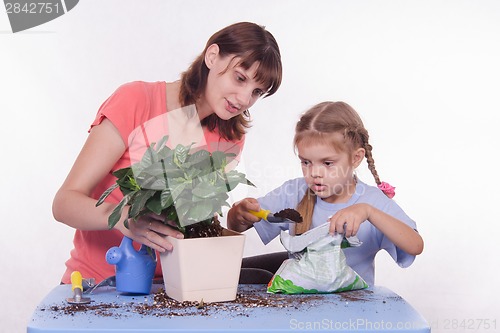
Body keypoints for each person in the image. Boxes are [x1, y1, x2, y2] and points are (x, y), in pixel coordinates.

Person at [52, 22, 283, 284]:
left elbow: (196, 221)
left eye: (256, 92)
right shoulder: (136, 100)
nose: (243, 99)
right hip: (105, 282)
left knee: (278, 271)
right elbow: (64, 204)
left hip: (175, 286)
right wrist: (123, 217)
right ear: (212, 56)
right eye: (240, 78)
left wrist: (235, 221)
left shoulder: (230, 137)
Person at [227, 101, 423, 286]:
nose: (314, 173)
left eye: (327, 163)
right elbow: (236, 226)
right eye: (306, 162)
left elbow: (415, 246)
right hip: (299, 302)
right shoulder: (295, 192)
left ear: (356, 158)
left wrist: (368, 212)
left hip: (350, 309)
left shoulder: (370, 201)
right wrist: (239, 214)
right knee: (236, 273)